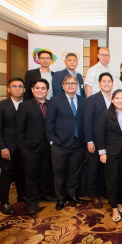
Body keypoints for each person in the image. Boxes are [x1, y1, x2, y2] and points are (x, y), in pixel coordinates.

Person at [46, 74, 87, 210]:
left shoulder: (83, 100)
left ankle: (72, 194)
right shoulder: (55, 100)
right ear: (63, 86)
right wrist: (51, 140)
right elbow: (49, 121)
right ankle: (60, 198)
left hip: (78, 143)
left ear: (77, 86)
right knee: (59, 173)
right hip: (60, 143)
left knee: (74, 172)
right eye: (68, 83)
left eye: (73, 83)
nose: (71, 85)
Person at [96, 89, 122, 222]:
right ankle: (113, 208)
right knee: (112, 181)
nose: (120, 100)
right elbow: (100, 134)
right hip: (110, 152)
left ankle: (119, 203)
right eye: (117, 98)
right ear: (112, 100)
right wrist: (102, 152)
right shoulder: (106, 114)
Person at [16, 78, 54, 215]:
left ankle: (44, 194)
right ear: (32, 90)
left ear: (48, 91)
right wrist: (23, 149)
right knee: (31, 175)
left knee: (45, 172)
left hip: (47, 146)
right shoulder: (25, 106)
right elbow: (19, 130)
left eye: (43, 88)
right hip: (30, 147)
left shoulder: (51, 105)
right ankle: (32, 201)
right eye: (37, 88)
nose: (40, 91)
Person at [0, 78, 26, 215]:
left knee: (21, 173)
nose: (17, 89)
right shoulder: (1, 105)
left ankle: (21, 195)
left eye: (20, 86)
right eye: (14, 86)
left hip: (23, 146)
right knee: (6, 174)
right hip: (7, 147)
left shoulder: (28, 104)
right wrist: (2, 147)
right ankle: (4, 202)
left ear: (24, 89)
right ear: (9, 89)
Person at [83, 72, 113, 209]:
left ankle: (107, 193)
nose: (106, 83)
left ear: (112, 84)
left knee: (108, 169)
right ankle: (94, 195)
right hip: (96, 140)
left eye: (109, 81)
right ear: (99, 84)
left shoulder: (115, 98)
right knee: (94, 169)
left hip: (112, 141)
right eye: (104, 81)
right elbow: (87, 122)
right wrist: (89, 141)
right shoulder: (92, 99)